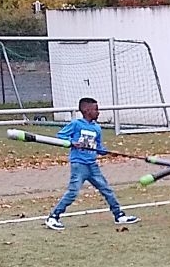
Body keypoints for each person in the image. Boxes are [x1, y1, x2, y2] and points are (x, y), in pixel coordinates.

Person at [43, 97, 139, 230]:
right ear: (87, 110)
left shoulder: (96, 128)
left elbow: (98, 147)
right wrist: (72, 142)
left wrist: (108, 152)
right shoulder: (76, 124)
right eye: (96, 109)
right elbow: (61, 136)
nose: (98, 112)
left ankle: (119, 215)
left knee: (106, 190)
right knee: (73, 192)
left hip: (92, 166)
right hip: (79, 165)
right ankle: (53, 217)